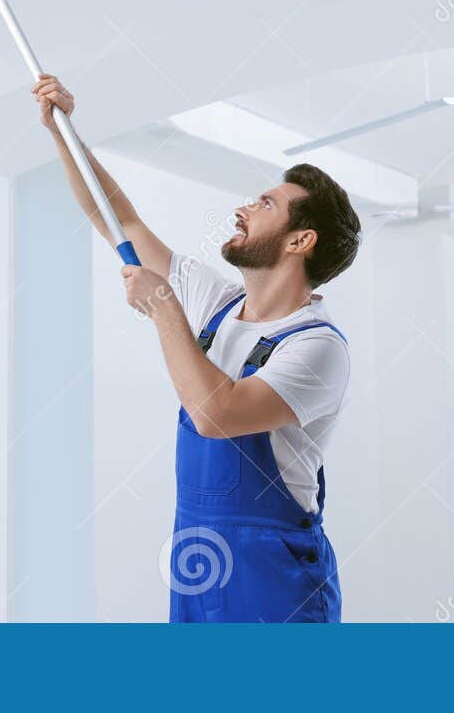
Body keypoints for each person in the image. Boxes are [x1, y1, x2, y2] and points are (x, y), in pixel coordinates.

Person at [32, 73, 361, 622]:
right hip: (198, 552)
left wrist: (163, 308)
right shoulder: (216, 301)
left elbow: (216, 414)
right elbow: (121, 220)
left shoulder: (318, 347)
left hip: (272, 574)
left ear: (300, 241)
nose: (244, 209)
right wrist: (64, 132)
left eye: (264, 204)